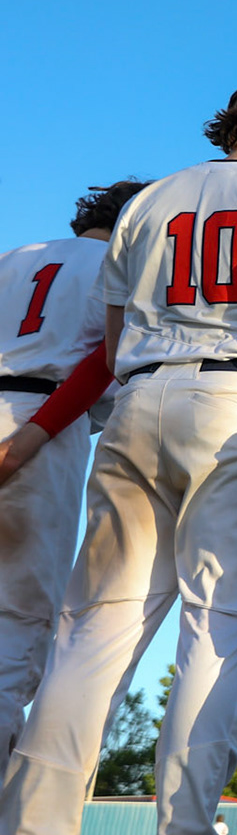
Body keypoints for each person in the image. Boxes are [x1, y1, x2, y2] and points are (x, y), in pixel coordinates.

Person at [0, 79, 237, 835]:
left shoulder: (148, 200)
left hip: (140, 398)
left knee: (87, 641)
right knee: (217, 635)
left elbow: (113, 345)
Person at [0, 179, 148, 775]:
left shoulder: (15, 258)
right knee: (15, 639)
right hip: (43, 427)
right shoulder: (120, 267)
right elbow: (107, 365)